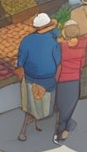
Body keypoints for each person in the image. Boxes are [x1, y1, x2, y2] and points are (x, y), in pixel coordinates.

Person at [16, 12, 62, 142]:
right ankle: (57, 132)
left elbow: (20, 64)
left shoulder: (26, 40)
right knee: (51, 106)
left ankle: (23, 131)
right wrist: (56, 79)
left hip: (31, 79)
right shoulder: (53, 42)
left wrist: (21, 80)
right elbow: (59, 63)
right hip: (49, 80)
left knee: (30, 108)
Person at [54, 21, 87, 143]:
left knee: (63, 106)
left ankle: (61, 131)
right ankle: (66, 127)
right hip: (75, 78)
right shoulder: (83, 43)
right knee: (70, 105)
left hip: (63, 79)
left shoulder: (62, 46)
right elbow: (82, 63)